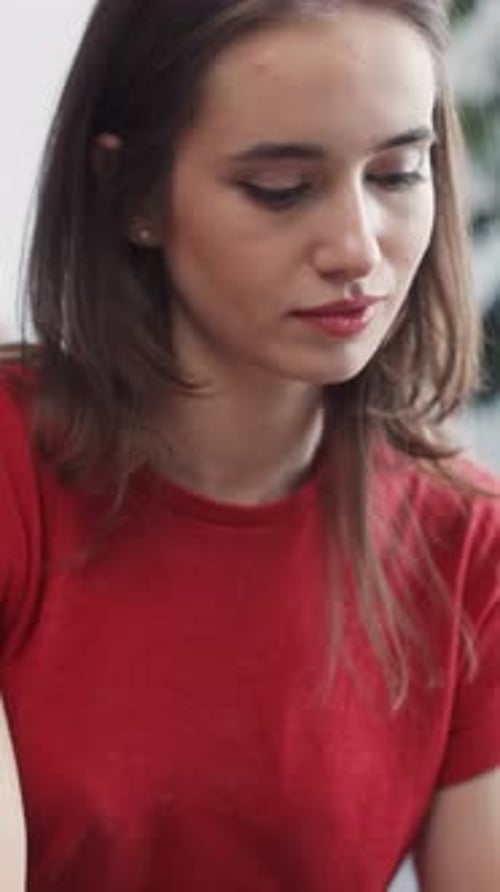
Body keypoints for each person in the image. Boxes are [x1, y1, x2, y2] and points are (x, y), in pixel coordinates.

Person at [0, 0, 499, 889]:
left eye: (398, 173)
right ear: (132, 196)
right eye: (280, 188)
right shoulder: (11, 470)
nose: (357, 247)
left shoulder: (470, 547)